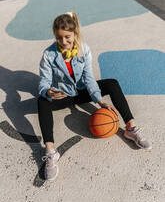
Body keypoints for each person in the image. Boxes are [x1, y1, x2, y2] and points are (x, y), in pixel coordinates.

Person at [38, 12, 152, 181]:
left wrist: (99, 101)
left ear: (74, 34)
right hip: (63, 95)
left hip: (82, 91)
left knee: (112, 83)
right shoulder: (49, 55)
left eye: (67, 37)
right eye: (59, 38)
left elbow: (89, 78)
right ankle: (51, 152)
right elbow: (44, 81)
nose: (63, 42)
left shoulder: (83, 49)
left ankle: (130, 129)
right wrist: (48, 92)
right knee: (41, 101)